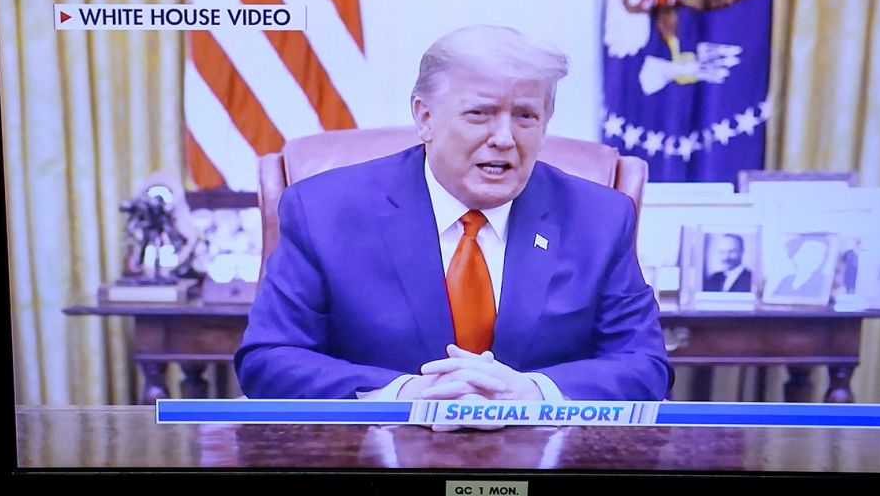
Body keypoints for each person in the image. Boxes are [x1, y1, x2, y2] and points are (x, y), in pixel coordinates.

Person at [235, 25, 670, 402]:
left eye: (525, 116)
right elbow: (268, 359)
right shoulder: (324, 210)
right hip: (375, 460)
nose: (504, 137)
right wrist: (403, 394)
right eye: (479, 114)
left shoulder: (599, 217)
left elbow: (645, 363)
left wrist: (533, 392)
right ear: (424, 118)